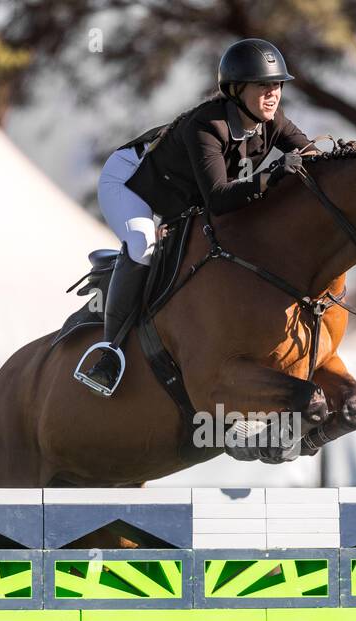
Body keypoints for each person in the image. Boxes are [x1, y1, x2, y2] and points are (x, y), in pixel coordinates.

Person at [75, 38, 316, 396]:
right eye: (263, 85)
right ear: (236, 90)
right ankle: (107, 353)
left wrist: (339, 157)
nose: (273, 94)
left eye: (277, 85)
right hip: (130, 181)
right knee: (143, 244)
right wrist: (269, 176)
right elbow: (219, 199)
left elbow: (309, 153)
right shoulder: (207, 126)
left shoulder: (273, 121)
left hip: (181, 193)